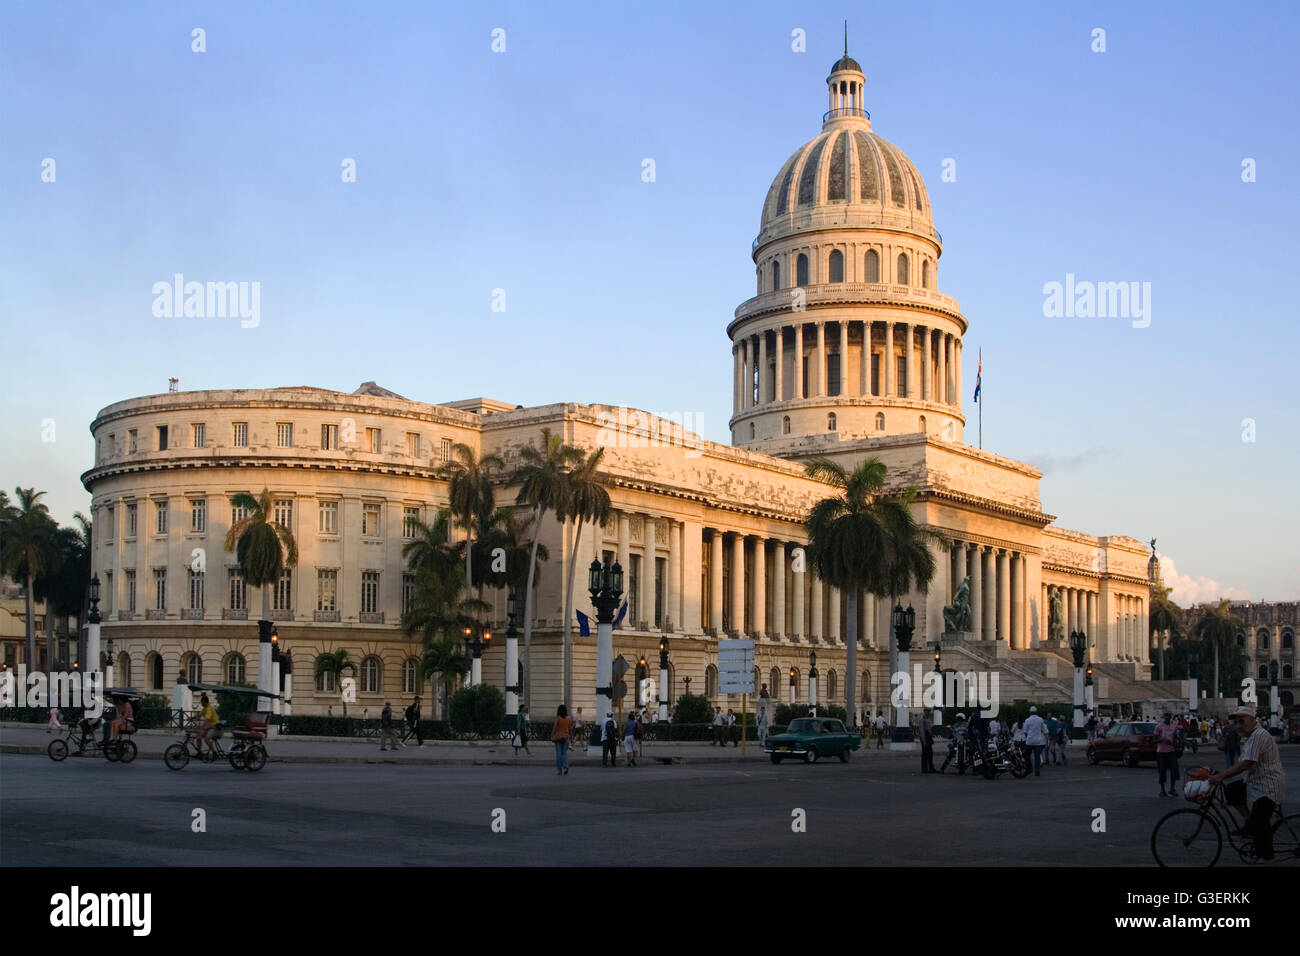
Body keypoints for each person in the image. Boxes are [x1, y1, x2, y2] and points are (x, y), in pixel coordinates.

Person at [1210, 707, 1285, 865]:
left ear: (1252, 720)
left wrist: (1222, 776)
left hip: (1268, 787)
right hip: (1255, 783)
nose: (1238, 725)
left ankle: (1270, 862)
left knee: (1261, 829)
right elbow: (1242, 763)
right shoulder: (1250, 737)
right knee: (1232, 790)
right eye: (1236, 722)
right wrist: (1219, 772)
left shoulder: (1258, 735)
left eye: (1241, 721)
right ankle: (1249, 823)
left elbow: (1246, 763)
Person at [1154, 712, 1179, 796]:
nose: (1167, 718)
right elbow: (1154, 740)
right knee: (1162, 771)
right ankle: (1162, 790)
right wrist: (1162, 740)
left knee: (1174, 770)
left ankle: (1172, 788)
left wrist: (1176, 743)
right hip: (1161, 752)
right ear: (1163, 717)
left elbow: (1175, 737)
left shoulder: (1173, 726)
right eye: (1166, 717)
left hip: (1171, 751)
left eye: (1169, 717)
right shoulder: (1159, 727)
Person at [1023, 706, 1047, 776]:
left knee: (1027, 756)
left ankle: (1029, 768)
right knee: (1037, 758)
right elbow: (1044, 730)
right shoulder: (1040, 719)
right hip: (1038, 742)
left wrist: (1028, 737)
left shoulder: (1027, 720)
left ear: (1030, 712)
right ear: (1036, 712)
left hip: (1029, 741)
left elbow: (1025, 732)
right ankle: (1037, 772)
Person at [196, 693, 220, 757]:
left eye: (202, 703)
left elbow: (206, 719)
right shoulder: (205, 708)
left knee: (206, 739)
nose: (201, 704)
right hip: (209, 727)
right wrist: (192, 718)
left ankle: (214, 753)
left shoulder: (209, 708)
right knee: (198, 736)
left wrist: (202, 727)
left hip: (215, 727)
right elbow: (199, 715)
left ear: (205, 702)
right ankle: (199, 753)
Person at [551, 704, 571, 775]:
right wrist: (570, 737)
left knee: (558, 754)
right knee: (564, 753)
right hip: (566, 736)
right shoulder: (568, 718)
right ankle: (565, 765)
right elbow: (569, 728)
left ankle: (559, 771)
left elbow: (555, 727)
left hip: (559, 737)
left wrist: (552, 735)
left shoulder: (558, 718)